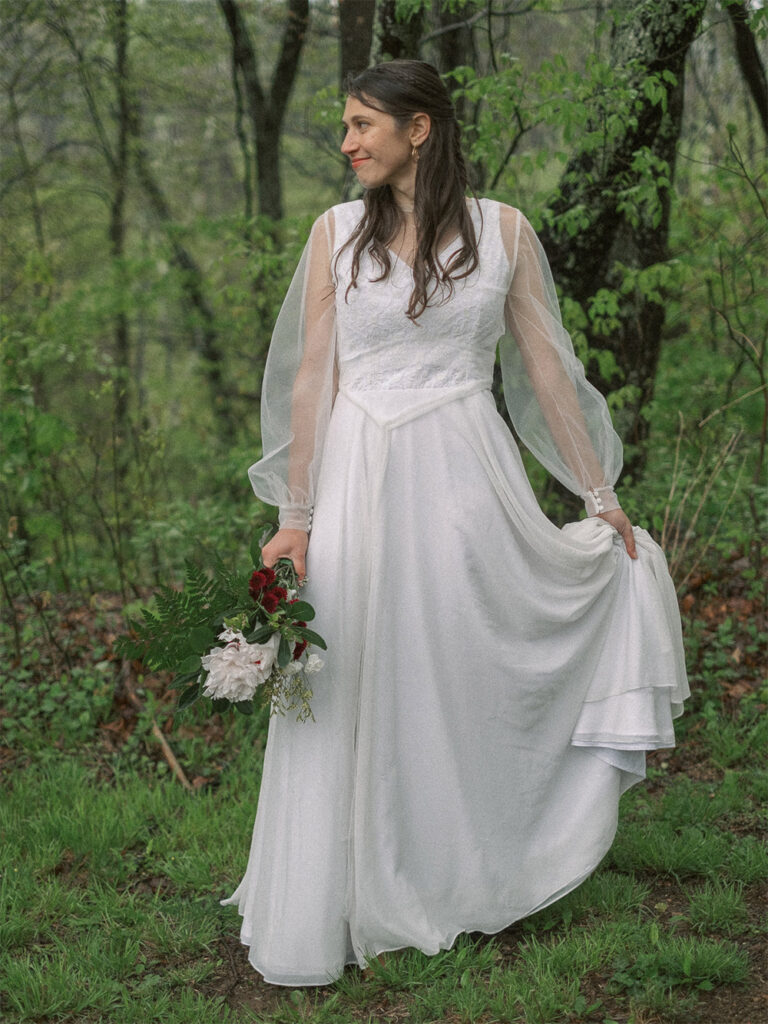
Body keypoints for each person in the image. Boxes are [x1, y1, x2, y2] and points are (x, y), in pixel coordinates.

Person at [221, 59, 688, 988]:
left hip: (465, 471)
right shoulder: (334, 234)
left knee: (459, 659)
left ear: (418, 129)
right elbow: (312, 378)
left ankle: (462, 866)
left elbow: (547, 374)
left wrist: (598, 496)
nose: (348, 141)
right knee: (347, 661)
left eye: (363, 125)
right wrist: (295, 515)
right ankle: (337, 887)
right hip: (358, 471)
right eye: (346, 126)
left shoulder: (504, 229)